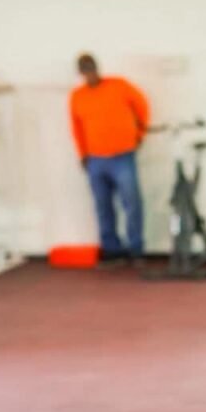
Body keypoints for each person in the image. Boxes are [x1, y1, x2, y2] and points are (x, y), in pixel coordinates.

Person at [70, 53, 149, 266]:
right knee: (102, 206)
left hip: (123, 155)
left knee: (132, 203)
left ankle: (136, 249)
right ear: (81, 72)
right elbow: (76, 128)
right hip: (95, 159)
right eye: (84, 69)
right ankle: (112, 250)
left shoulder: (119, 86)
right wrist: (83, 154)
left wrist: (140, 133)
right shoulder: (77, 96)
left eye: (91, 67)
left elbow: (142, 106)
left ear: (97, 66)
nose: (89, 72)